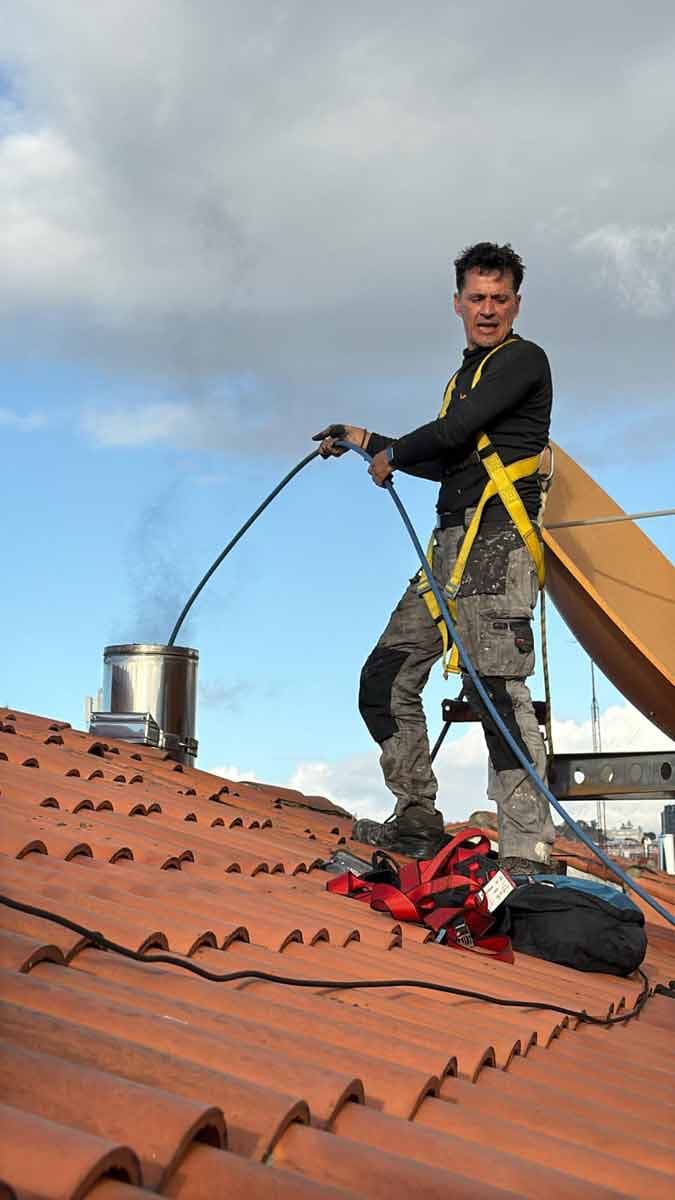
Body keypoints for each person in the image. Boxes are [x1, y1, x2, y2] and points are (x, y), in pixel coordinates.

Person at [315, 241, 556, 873]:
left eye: (499, 298)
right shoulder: (463, 379)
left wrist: (390, 455)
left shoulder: (523, 361)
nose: (487, 309)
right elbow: (449, 461)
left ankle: (527, 849)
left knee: (500, 693)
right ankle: (417, 818)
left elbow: (449, 433)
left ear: (516, 304)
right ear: (457, 304)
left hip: (498, 544)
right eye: (476, 298)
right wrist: (366, 441)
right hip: (450, 551)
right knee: (386, 678)